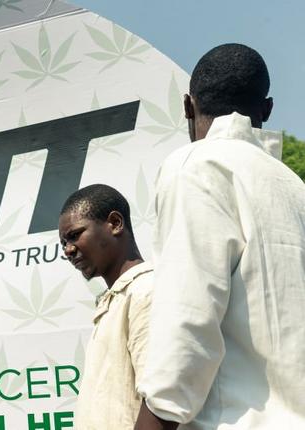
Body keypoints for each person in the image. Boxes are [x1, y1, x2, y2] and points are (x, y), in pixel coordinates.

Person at [135, 44, 305, 429]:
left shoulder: (197, 166)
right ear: (266, 110)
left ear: (187, 107)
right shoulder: (294, 188)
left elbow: (187, 325)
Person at [58, 184, 152, 429]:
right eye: (63, 243)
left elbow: (161, 398)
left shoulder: (146, 291)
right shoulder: (116, 299)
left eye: (75, 235)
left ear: (115, 223)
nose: (68, 249)